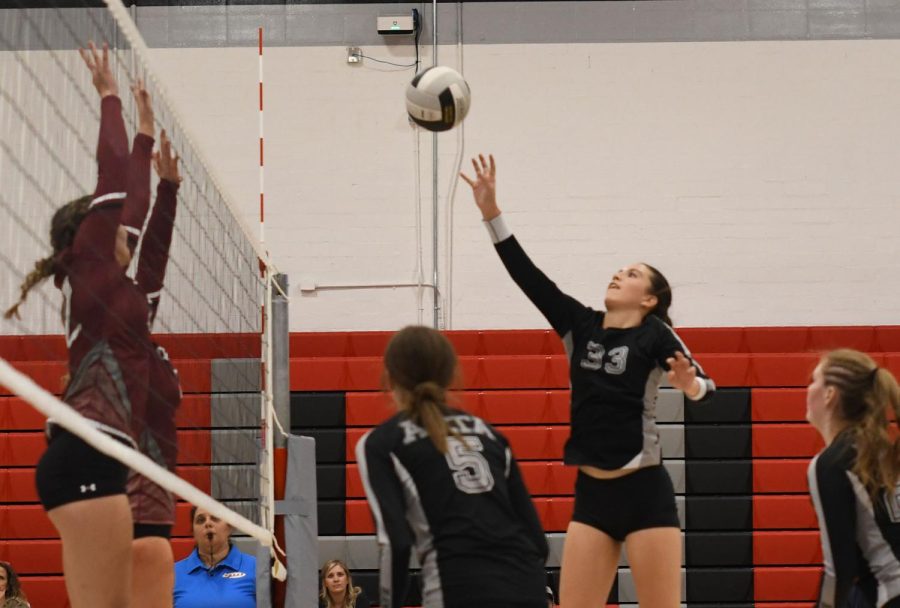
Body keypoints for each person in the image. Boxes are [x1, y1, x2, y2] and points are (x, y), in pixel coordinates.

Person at [460, 154, 716, 608]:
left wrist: (688, 383)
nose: (620, 274)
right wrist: (491, 214)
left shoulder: (655, 333)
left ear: (650, 298)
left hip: (644, 492)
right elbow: (531, 279)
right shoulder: (581, 326)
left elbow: (705, 387)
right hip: (593, 495)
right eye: (620, 269)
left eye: (633, 274)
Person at [5, 41, 182, 608]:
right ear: (92, 235)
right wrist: (112, 100)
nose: (129, 228)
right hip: (87, 453)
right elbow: (117, 187)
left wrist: (170, 188)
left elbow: (149, 254)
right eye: (119, 228)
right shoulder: (92, 267)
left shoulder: (121, 301)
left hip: (100, 457)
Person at [356, 325, 549, 608]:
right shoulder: (490, 435)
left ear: (390, 376)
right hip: (528, 586)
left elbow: (395, 543)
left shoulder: (381, 442)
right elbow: (538, 543)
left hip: (456, 585)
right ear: (450, 375)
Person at [806, 349, 900, 608]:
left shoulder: (831, 463)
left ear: (829, 395)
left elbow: (839, 570)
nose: (809, 389)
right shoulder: (884, 447)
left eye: (814, 380)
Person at [173, 507, 256, 608]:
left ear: (229, 527)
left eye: (215, 518)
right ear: (193, 532)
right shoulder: (173, 573)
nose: (207, 523)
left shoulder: (255, 567)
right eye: (200, 520)